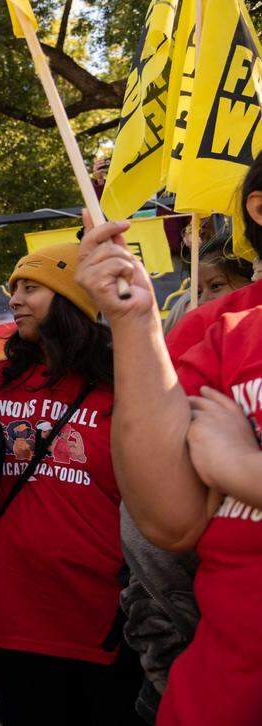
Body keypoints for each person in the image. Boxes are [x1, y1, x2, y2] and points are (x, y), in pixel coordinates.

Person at [75, 153, 262, 725]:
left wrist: (245, 473)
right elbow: (169, 521)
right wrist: (134, 323)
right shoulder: (221, 328)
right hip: (222, 696)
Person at [0, 244, 140, 725]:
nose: (15, 300)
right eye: (13, 289)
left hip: (99, 613)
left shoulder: (124, 385)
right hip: (12, 611)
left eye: (31, 287)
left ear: (71, 299)